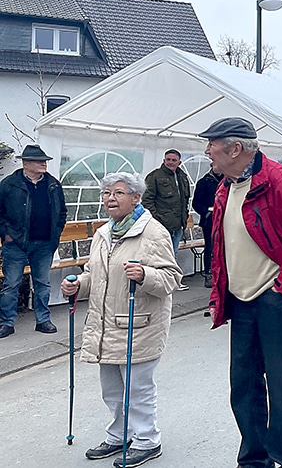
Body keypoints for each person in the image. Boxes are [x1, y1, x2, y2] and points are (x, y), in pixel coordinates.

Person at [200, 117, 282, 468]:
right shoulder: (225, 185)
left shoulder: (278, 181)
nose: (207, 150)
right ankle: (254, 460)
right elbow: (222, 246)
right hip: (241, 302)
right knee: (244, 386)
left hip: (275, 301)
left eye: (211, 144)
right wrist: (218, 296)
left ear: (235, 148)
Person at [61, 172, 181, 468]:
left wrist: (145, 275)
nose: (110, 199)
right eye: (106, 194)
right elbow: (96, 276)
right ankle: (119, 435)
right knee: (112, 390)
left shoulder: (153, 233)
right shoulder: (104, 233)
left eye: (118, 193)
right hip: (105, 326)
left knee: (138, 390)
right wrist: (78, 285)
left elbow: (170, 279)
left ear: (136, 197)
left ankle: (147, 440)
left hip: (139, 325)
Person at [0, 145, 67, 338]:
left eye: (44, 160)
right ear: (26, 163)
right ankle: (7, 323)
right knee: (11, 284)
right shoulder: (9, 184)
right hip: (15, 244)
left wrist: (56, 232)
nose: (44, 163)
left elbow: (61, 212)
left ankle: (43, 320)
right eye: (39, 161)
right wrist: (6, 234)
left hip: (44, 243)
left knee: (42, 283)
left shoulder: (53, 184)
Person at [142, 150, 191, 275]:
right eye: (168, 159)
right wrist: (157, 219)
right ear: (164, 161)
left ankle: (171, 279)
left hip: (178, 223)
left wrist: (184, 219)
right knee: (161, 254)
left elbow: (185, 200)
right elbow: (147, 201)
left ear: (179, 162)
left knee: (173, 252)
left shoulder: (183, 177)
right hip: (162, 224)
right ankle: (162, 279)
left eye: (174, 160)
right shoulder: (154, 176)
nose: (170, 162)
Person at [192, 167, 223, 289]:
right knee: (210, 247)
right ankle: (209, 274)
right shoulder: (204, 182)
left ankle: (223, 273)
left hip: (225, 219)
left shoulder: (229, 180)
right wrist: (206, 213)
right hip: (209, 221)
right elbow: (196, 203)